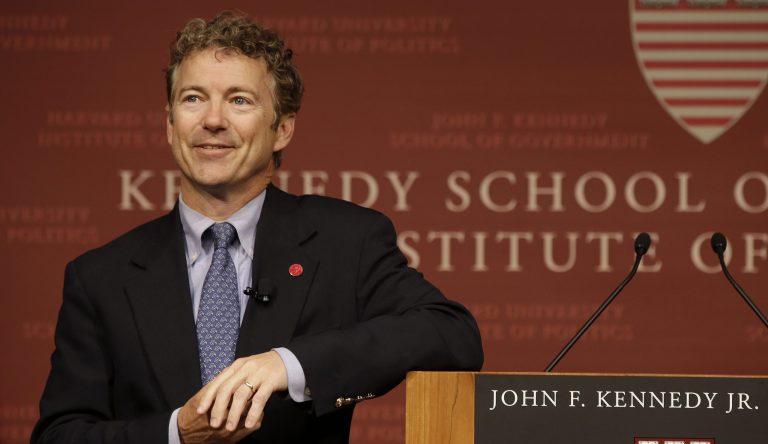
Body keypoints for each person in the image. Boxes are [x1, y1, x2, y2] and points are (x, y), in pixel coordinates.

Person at [32, 10, 483, 444]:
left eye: (239, 100)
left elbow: (451, 335)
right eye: (193, 98)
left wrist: (288, 365)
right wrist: (177, 435)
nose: (212, 120)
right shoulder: (100, 277)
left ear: (282, 128)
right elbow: (60, 434)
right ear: (170, 125)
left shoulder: (346, 241)